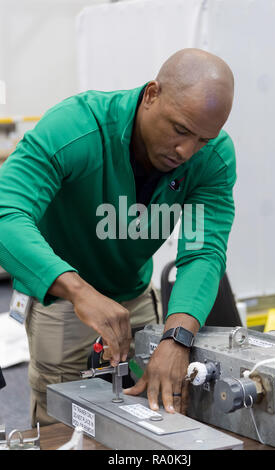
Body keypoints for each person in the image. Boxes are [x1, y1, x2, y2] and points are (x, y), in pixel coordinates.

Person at [0, 48, 236, 426]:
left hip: (135, 295)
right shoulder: (76, 128)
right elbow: (6, 214)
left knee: (157, 415)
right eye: (180, 130)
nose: (186, 151)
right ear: (151, 95)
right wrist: (78, 291)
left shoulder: (212, 159)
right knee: (64, 421)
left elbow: (202, 251)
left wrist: (178, 336)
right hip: (62, 298)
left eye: (203, 140)